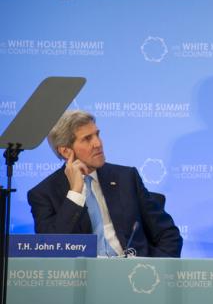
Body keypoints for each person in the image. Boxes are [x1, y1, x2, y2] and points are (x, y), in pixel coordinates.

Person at [27, 110, 182, 257]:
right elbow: (50, 248)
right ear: (66, 151)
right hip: (85, 274)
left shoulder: (126, 178)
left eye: (97, 135)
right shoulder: (44, 194)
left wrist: (153, 269)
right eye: (87, 139)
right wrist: (75, 193)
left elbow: (168, 234)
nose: (98, 143)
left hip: (134, 270)